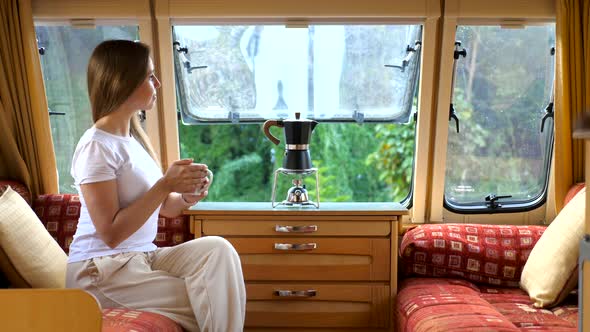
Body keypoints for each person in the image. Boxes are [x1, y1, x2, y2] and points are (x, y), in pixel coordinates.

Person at [65, 39, 246, 332]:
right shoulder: (96, 146)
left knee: (218, 250)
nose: (158, 83)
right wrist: (165, 184)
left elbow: (165, 209)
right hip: (100, 271)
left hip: (140, 258)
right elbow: (111, 234)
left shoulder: (131, 140)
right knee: (213, 300)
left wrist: (186, 195)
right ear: (123, 82)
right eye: (149, 76)